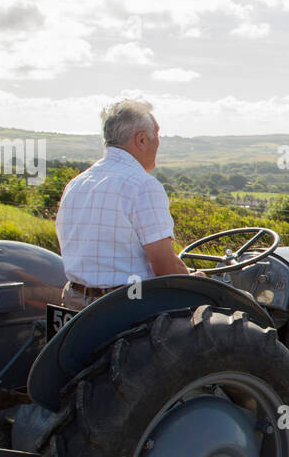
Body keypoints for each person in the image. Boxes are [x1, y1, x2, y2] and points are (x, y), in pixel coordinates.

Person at [55, 99, 193, 309]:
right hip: (125, 303)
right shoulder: (143, 185)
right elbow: (165, 265)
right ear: (142, 140)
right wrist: (197, 281)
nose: (158, 143)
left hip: (73, 300)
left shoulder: (77, 183)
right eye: (157, 136)